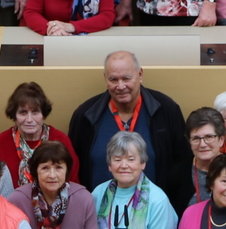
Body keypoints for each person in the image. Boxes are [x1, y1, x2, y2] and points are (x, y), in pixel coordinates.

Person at [68, 51, 188, 197]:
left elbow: (183, 164)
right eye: (113, 79)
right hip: (99, 212)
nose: (120, 86)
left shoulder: (166, 110)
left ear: (140, 75)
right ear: (105, 79)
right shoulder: (86, 115)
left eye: (126, 78)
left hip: (153, 212)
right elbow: (72, 168)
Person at [90, 131, 179, 229]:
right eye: (117, 159)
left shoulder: (157, 200)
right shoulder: (98, 193)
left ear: (143, 163)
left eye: (131, 159)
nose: (124, 165)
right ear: (109, 165)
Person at [0, 82, 81, 187]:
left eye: (35, 112)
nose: (29, 119)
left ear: (44, 115)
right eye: (23, 112)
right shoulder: (0, 143)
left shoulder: (60, 140)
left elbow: (73, 183)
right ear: (14, 115)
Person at [8, 142, 99, 229]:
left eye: (58, 167)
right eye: (45, 168)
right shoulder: (17, 199)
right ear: (35, 171)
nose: (52, 175)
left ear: (67, 170)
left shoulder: (84, 198)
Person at [170, 107, 226, 209]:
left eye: (209, 137)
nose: (202, 144)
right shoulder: (176, 174)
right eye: (196, 138)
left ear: (221, 140)